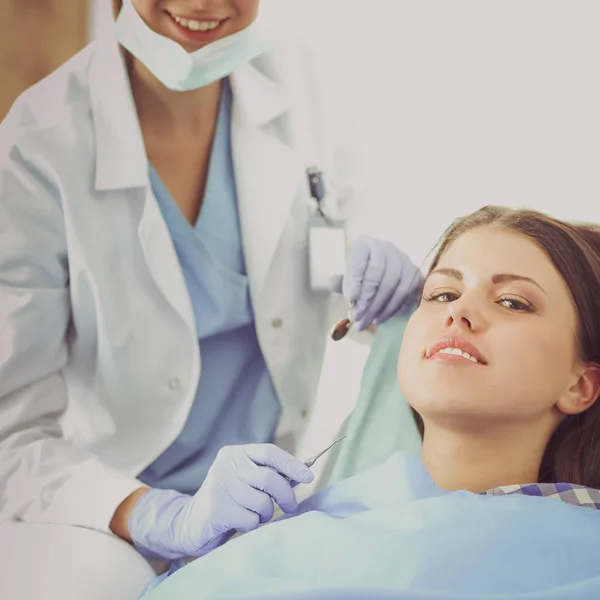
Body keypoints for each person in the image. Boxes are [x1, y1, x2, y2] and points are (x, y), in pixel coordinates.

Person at [0, 1, 422, 598]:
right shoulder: (38, 146)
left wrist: (381, 286)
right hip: (105, 512)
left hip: (266, 498)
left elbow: (334, 278)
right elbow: (10, 439)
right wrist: (158, 516)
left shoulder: (307, 89)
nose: (202, 3)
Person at [139, 205, 600, 599]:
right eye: (441, 293)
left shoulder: (584, 553)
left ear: (581, 385)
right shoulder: (297, 527)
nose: (457, 311)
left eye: (513, 302)